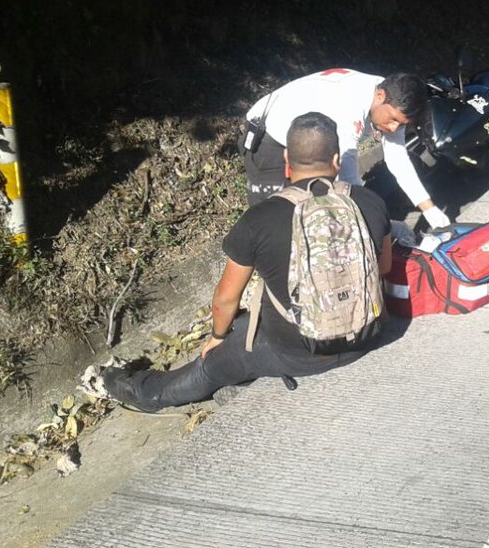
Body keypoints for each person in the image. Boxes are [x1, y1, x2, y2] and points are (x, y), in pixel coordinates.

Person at [95, 112, 393, 411]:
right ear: (337, 159)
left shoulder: (259, 219)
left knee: (210, 365)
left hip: (296, 353)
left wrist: (216, 337)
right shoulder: (370, 201)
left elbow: (226, 299)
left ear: (287, 160)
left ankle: (142, 392)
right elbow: (384, 268)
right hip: (366, 335)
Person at [240, 69, 448, 228]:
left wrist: (429, 209)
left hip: (311, 139)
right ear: (380, 96)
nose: (394, 128)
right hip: (271, 136)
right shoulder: (350, 101)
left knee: (311, 212)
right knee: (273, 220)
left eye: (401, 124)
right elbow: (348, 171)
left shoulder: (392, 102)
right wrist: (369, 219)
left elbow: (398, 160)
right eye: (393, 120)